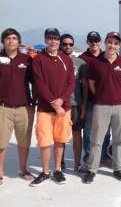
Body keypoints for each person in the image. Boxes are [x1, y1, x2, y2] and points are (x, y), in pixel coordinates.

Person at [83, 32, 121, 183]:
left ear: (119, 46)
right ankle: (91, 169)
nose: (112, 46)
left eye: (116, 43)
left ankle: (118, 168)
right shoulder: (96, 62)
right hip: (101, 106)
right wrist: (102, 96)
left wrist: (116, 95)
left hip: (119, 106)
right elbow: (91, 83)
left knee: (118, 139)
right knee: (97, 139)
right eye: (110, 42)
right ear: (105, 43)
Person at [30, 28, 75, 186]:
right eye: (50, 38)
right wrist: (54, 104)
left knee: (60, 139)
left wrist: (62, 100)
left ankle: (57, 170)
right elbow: (40, 84)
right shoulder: (38, 59)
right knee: (44, 140)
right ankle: (45, 171)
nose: (53, 41)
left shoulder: (66, 59)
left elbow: (71, 83)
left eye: (56, 38)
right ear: (45, 39)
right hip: (45, 108)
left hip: (64, 108)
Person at [0, 28, 35, 185]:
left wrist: (33, 103)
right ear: (3, 41)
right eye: (8, 38)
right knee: (1, 142)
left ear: (18, 41)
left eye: (14, 38)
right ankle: (0, 172)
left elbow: (36, 82)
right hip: (3, 107)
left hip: (23, 107)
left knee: (24, 142)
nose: (11, 40)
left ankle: (23, 169)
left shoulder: (27, 60)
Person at [79, 31, 111, 164]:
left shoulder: (107, 56)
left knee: (106, 131)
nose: (94, 43)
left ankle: (103, 155)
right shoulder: (82, 58)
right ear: (87, 42)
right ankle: (88, 155)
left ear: (100, 41)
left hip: (106, 100)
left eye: (96, 40)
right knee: (88, 130)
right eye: (91, 40)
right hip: (90, 100)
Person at [60, 34, 88, 171]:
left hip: (76, 104)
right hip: (61, 105)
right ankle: (60, 162)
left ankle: (77, 164)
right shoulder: (56, 60)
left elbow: (85, 86)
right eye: (65, 44)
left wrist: (83, 105)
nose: (68, 47)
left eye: (71, 44)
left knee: (77, 134)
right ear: (60, 44)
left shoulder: (80, 63)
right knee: (60, 135)